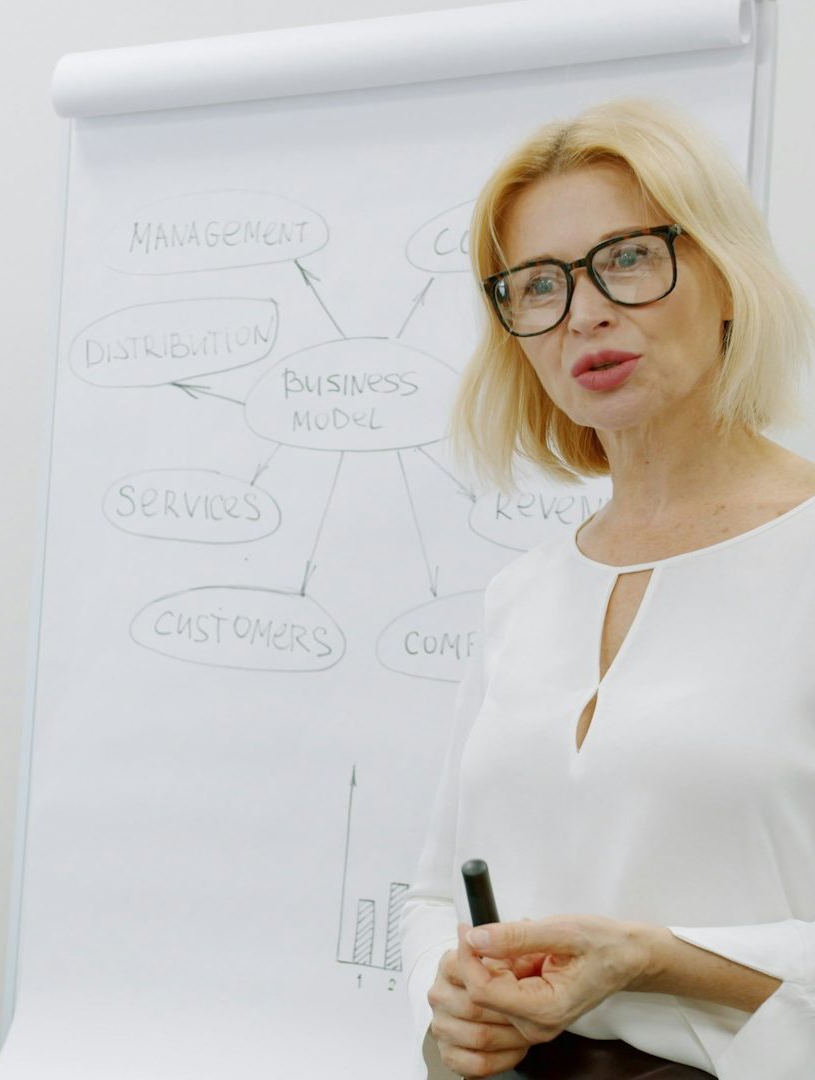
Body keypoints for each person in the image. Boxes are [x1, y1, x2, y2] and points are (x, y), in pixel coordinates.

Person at [400, 99, 815, 1080]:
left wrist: (655, 961)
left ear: (725, 274)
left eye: (626, 258)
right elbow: (429, 900)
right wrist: (450, 997)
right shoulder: (522, 596)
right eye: (536, 285)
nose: (583, 312)